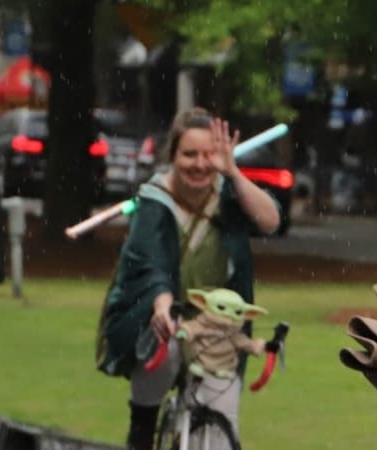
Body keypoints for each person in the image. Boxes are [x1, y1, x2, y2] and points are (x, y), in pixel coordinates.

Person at [94, 107, 281, 450]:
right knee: (164, 355)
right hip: (159, 315)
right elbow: (152, 264)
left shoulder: (228, 192)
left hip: (220, 326)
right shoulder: (153, 200)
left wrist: (234, 174)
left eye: (208, 154)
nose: (199, 164)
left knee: (218, 428)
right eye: (189, 154)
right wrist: (163, 306)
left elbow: (270, 221)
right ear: (173, 156)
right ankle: (143, 427)